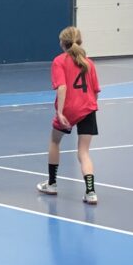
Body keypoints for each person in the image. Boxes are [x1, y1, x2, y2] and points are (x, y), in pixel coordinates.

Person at [35, 26, 101, 205]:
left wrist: (60, 112)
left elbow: (62, 87)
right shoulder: (89, 62)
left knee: (55, 141)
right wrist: (91, 107)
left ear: (62, 43)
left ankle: (52, 183)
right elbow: (96, 91)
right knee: (84, 152)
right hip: (88, 109)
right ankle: (90, 192)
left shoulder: (59, 61)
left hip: (69, 110)